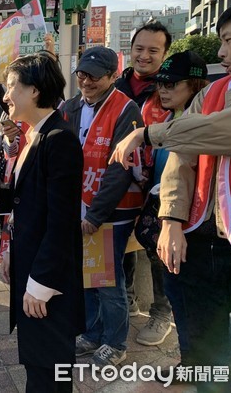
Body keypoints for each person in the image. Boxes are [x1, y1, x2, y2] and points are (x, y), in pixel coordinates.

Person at [110, 3, 231, 392]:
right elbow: (182, 156)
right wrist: (171, 221)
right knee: (203, 342)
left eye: (229, 41)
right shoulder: (217, 90)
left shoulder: (205, 101)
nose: (221, 52)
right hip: (202, 237)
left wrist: (149, 133)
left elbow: (212, 132)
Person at [0, 54, 84, 392]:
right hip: (32, 265)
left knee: (50, 369)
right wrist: (10, 251)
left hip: (48, 282)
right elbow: (25, 207)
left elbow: (62, 221)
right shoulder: (36, 133)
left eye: (10, 87)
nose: (6, 96)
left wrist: (41, 282)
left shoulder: (58, 138)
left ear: (34, 90)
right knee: (38, 365)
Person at [60, 46, 144, 367]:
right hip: (77, 211)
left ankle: (116, 342)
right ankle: (93, 333)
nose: (86, 81)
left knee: (108, 281)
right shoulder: (70, 107)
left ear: (112, 77)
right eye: (82, 74)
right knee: (87, 277)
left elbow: (119, 170)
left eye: (95, 76)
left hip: (110, 212)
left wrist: (95, 215)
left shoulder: (126, 110)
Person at [115, 22, 174, 338]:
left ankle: (161, 313)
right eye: (139, 48)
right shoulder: (116, 85)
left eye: (154, 50)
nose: (144, 56)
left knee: (157, 249)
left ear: (164, 54)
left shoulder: (172, 89)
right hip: (120, 182)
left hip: (159, 185)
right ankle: (126, 305)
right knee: (120, 244)